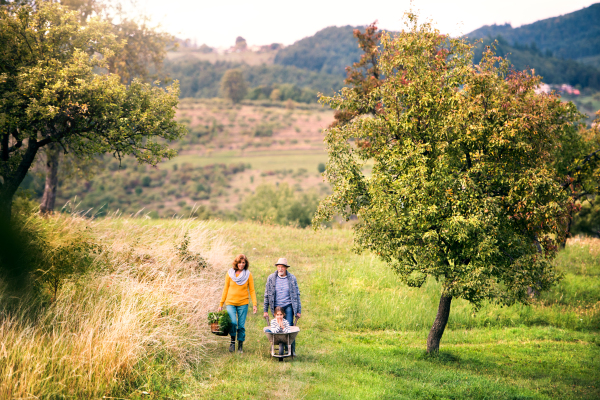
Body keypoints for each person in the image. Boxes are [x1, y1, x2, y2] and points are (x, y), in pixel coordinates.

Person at [218, 254, 257, 353]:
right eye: (239, 262)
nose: (241, 264)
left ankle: (240, 345)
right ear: (236, 263)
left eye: (243, 262)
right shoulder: (230, 274)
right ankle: (232, 342)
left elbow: (252, 290)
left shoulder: (248, 275)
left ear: (245, 263)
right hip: (230, 302)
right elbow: (225, 289)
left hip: (243, 303)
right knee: (233, 322)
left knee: (241, 326)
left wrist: (254, 304)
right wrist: (221, 304)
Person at [263, 257, 301, 355]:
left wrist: (298, 311)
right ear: (277, 267)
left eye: (282, 267)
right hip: (276, 307)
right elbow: (267, 295)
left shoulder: (292, 278)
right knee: (278, 327)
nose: (280, 269)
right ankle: (281, 347)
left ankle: (291, 350)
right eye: (279, 267)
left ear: (286, 268)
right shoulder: (271, 278)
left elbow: (297, 294)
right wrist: (265, 310)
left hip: (288, 306)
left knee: (289, 327)